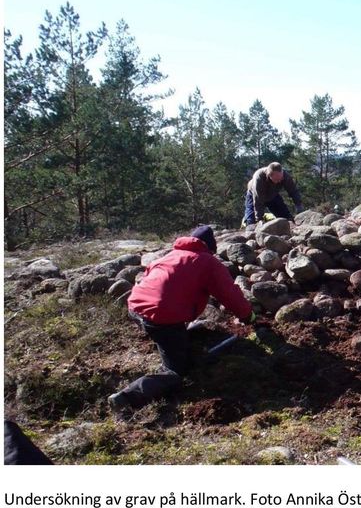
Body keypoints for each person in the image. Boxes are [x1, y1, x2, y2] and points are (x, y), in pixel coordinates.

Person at [108, 225, 253, 416]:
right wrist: (247, 316)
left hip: (135, 307)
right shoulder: (207, 262)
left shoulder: (168, 256)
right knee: (176, 372)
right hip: (161, 317)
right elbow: (229, 294)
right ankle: (127, 397)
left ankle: (168, 340)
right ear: (211, 248)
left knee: (169, 332)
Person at [244, 160, 304, 227]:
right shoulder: (259, 178)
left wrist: (299, 205)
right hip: (254, 195)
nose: (279, 181)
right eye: (276, 179)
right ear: (269, 175)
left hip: (272, 195)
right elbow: (258, 200)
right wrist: (259, 219)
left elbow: (293, 191)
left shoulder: (285, 176)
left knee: (286, 218)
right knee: (251, 222)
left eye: (280, 179)